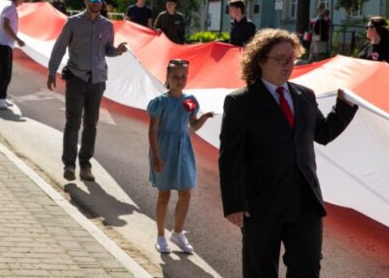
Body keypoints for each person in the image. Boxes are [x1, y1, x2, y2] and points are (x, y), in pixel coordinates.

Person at [218, 28, 358, 277]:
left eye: (291, 59)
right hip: (260, 204)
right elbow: (230, 156)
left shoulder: (304, 96)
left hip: (304, 201)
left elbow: (323, 134)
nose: (288, 65)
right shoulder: (241, 102)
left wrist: (345, 105)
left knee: (307, 267)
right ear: (261, 60)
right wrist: (234, 203)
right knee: (260, 271)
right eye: (280, 59)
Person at [47, 0, 128, 182]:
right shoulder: (73, 23)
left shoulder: (107, 26)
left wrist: (117, 51)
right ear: (85, 0)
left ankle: (85, 165)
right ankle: (69, 164)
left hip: (97, 81)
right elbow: (59, 47)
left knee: (91, 124)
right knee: (73, 122)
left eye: (99, 0)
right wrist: (51, 71)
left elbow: (106, 49)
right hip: (76, 78)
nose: (96, 3)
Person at [148, 59, 214, 254]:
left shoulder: (190, 100)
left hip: (184, 149)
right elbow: (152, 130)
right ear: (167, 77)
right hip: (164, 149)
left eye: (183, 76)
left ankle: (177, 233)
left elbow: (193, 125)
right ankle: (161, 236)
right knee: (164, 194)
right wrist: (156, 156)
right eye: (175, 76)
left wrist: (204, 117)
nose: (180, 79)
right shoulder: (160, 101)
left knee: (186, 192)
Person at [0, 0, 26, 109]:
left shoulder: (12, 9)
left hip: (6, 44)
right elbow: (6, 26)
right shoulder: (10, 9)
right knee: (4, 73)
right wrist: (17, 39)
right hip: (2, 44)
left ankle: (2, 97)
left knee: (7, 73)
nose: (23, 0)